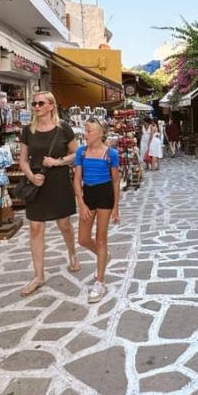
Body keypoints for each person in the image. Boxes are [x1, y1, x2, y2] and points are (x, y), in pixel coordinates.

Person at [18, 91, 80, 297]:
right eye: (34, 103)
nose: (36, 107)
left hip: (59, 181)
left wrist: (58, 161)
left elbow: (77, 154)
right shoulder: (28, 130)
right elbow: (23, 160)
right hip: (37, 183)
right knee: (35, 228)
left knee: (64, 224)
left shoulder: (63, 128)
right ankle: (38, 276)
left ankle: (72, 253)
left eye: (40, 103)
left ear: (51, 106)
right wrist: (31, 176)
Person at [74, 118, 121, 303]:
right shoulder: (81, 152)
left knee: (101, 238)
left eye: (89, 131)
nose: (85, 134)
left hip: (105, 194)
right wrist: (81, 203)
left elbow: (115, 181)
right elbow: (77, 179)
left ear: (100, 134)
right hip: (89, 194)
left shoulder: (111, 154)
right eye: (85, 130)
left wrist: (116, 207)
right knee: (83, 238)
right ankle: (104, 255)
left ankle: (100, 282)